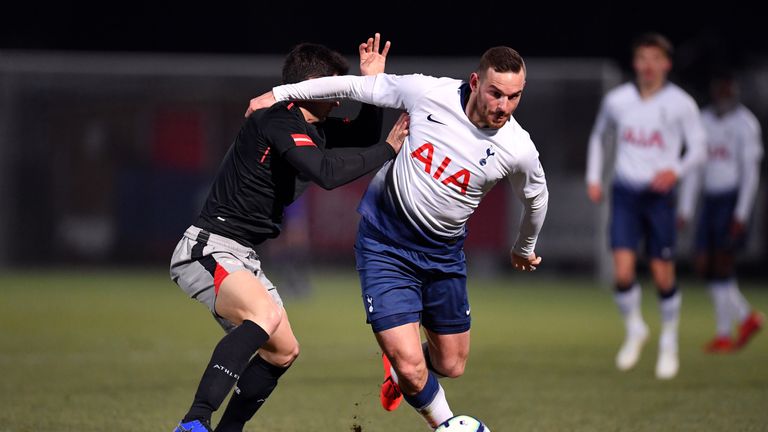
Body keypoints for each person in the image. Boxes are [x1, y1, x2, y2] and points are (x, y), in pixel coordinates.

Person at [247, 45, 548, 429]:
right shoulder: (429, 93)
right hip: (384, 242)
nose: (504, 105)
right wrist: (281, 93)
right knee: (411, 365)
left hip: (443, 253)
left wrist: (524, 247)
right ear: (476, 82)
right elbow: (356, 87)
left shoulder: (518, 147)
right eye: (496, 92)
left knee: (451, 365)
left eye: (514, 96)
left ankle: (400, 375)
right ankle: (446, 422)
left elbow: (536, 197)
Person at [168, 34, 409, 432]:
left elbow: (364, 132)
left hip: (242, 252)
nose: (338, 96)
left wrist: (372, 85)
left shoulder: (313, 123)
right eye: (332, 87)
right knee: (262, 315)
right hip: (208, 246)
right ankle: (193, 423)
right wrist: (389, 150)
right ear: (309, 87)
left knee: (283, 351)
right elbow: (326, 173)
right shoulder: (277, 119)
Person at [585, 32, 706, 380]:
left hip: (659, 198)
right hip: (625, 192)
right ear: (635, 63)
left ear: (666, 64)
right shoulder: (618, 100)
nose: (648, 66)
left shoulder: (681, 103)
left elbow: (698, 147)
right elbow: (598, 135)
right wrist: (595, 177)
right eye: (642, 59)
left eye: (655, 59)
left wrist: (676, 170)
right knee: (622, 272)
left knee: (662, 275)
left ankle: (669, 341)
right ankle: (635, 329)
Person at [677, 71, 764, 353]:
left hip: (731, 199)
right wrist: (686, 207)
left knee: (723, 263)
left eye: (727, 92)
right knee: (704, 263)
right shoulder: (703, 120)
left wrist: (741, 212)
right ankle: (745, 318)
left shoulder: (746, 124)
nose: (722, 98)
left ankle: (725, 333)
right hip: (710, 200)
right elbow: (696, 168)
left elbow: (751, 174)